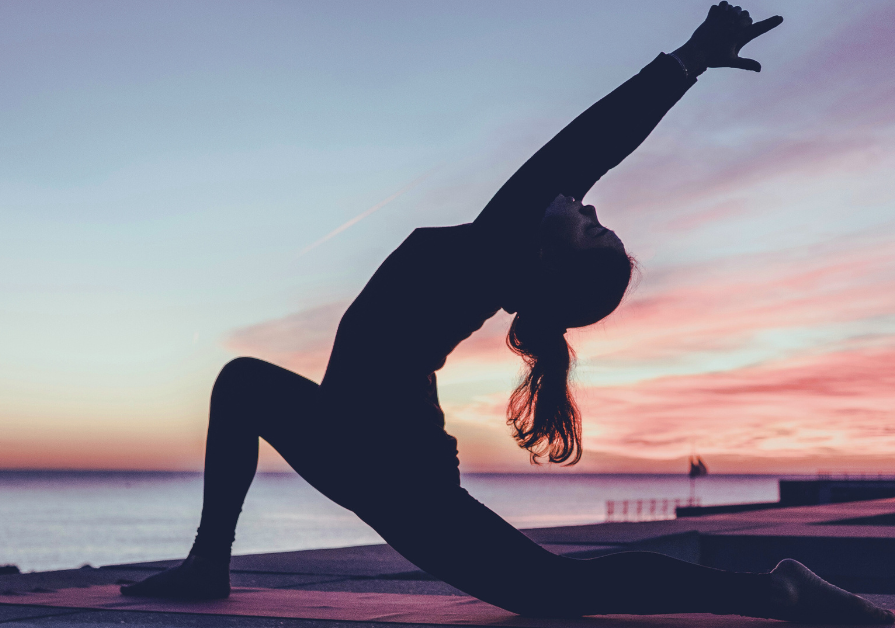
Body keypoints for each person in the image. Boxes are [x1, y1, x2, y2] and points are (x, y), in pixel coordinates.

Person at [123, 3, 894, 624]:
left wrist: (688, 60)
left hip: (392, 468)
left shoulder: (501, 246)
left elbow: (589, 144)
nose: (585, 204)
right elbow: (583, 161)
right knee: (242, 383)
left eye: (591, 225)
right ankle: (209, 565)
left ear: (550, 262)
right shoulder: (498, 258)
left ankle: (773, 592)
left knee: (552, 594)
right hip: (353, 439)